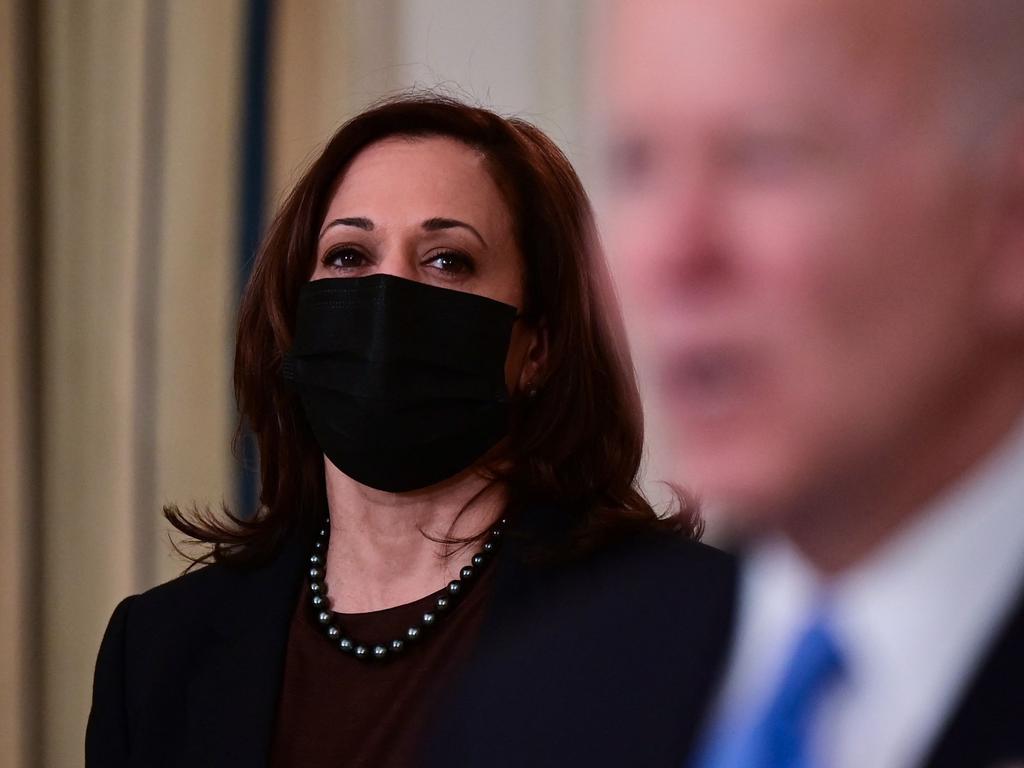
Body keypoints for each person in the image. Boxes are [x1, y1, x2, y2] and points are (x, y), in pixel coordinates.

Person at [85, 94, 736, 767]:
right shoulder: (160, 652)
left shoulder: (687, 625)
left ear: (537, 347)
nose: (386, 297)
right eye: (347, 256)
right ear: (295, 314)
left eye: (447, 260)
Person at [603, 1, 1024, 766]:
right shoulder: (548, 683)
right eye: (639, 162)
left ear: (1008, 212)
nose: (673, 249)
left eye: (764, 156)